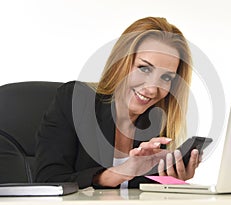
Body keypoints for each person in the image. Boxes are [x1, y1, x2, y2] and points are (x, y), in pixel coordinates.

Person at [35, 17, 201, 189]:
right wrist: (118, 173)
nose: (152, 90)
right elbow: (48, 182)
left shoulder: (156, 123)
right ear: (120, 62)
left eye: (166, 77)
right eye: (144, 68)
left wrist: (170, 180)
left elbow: (140, 195)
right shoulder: (75, 100)